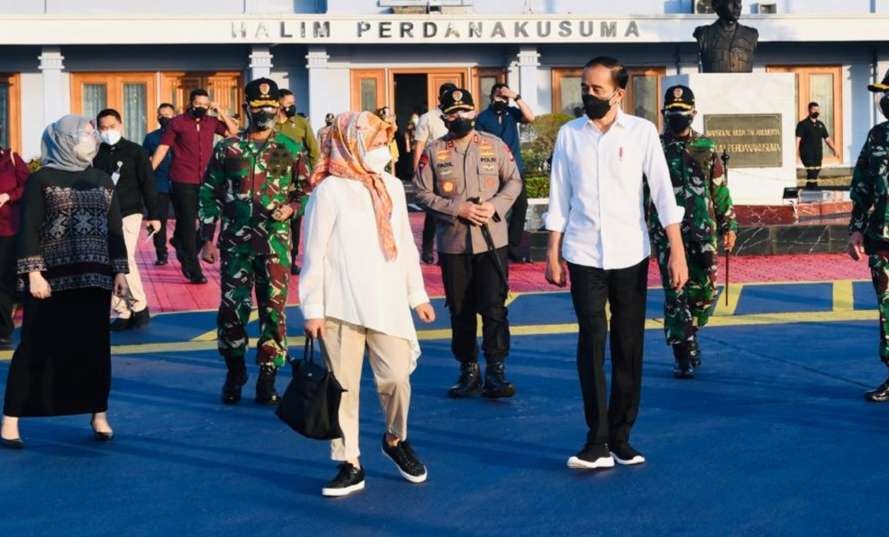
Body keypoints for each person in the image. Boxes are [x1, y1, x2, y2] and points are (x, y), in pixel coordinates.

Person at [545, 57, 688, 469]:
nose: (587, 95)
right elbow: (559, 197)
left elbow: (663, 194)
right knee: (591, 341)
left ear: (618, 93)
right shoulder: (569, 136)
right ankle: (597, 440)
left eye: (596, 89)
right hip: (583, 253)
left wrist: (675, 252)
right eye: (584, 87)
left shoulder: (642, 133)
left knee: (628, 345)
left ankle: (622, 436)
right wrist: (553, 252)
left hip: (631, 254)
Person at [301, 111, 435, 498]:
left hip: (387, 300)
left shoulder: (390, 185)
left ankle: (395, 439)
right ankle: (350, 462)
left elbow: (405, 245)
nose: (382, 150)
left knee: (396, 377)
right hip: (340, 305)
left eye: (383, 143)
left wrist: (417, 295)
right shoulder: (328, 191)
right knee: (342, 388)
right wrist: (312, 308)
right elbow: (314, 253)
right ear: (352, 144)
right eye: (375, 143)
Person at [1, 115, 129, 449]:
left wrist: (119, 272)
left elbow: (114, 228)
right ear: (61, 139)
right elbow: (28, 227)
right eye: (81, 134)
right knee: (34, 347)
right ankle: (11, 422)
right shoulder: (41, 178)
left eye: (91, 133)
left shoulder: (102, 179)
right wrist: (33, 272)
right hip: (50, 280)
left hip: (95, 277)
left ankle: (98, 413)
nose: (90, 138)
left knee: (95, 349)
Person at [198, 78, 309, 406]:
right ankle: (235, 372)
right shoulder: (228, 148)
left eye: (270, 107)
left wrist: (292, 206)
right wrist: (207, 238)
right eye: (258, 107)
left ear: (279, 108)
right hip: (236, 243)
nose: (264, 112)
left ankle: (268, 376)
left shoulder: (290, 148)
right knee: (233, 310)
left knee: (274, 311)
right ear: (247, 107)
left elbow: (305, 190)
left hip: (275, 244)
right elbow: (208, 192)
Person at [414, 87, 522, 399]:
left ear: (474, 112)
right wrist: (455, 208)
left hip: (492, 241)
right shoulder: (434, 151)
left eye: (465, 111)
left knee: (493, 306)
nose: (459, 117)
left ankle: (496, 370)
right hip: (455, 243)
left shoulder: (495, 145)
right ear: (443, 116)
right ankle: (468, 369)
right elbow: (421, 192)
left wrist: (496, 206)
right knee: (460, 309)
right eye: (452, 113)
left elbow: (514, 180)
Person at [651, 85, 738, 378]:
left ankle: (691, 330)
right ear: (664, 113)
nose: (677, 117)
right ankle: (682, 350)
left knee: (706, 289)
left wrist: (729, 225)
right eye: (672, 112)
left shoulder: (706, 147)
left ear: (693, 113)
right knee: (676, 291)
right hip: (667, 231)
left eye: (683, 113)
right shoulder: (654, 148)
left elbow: (719, 188)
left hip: (703, 228)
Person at [150, 89, 238, 284]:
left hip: (207, 179)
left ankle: (180, 242)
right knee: (189, 223)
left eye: (205, 105)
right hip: (183, 179)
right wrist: (149, 172)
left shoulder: (211, 122)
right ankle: (193, 268)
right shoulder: (178, 122)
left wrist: (220, 111)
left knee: (208, 219)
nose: (201, 108)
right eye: (198, 104)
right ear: (190, 103)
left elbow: (233, 132)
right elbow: (163, 147)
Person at [94, 108, 161, 331]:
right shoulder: (95, 153)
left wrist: (155, 216)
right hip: (103, 214)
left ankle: (139, 307)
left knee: (126, 258)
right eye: (102, 128)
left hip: (130, 212)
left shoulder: (136, 152)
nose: (107, 131)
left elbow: (148, 185)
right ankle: (122, 311)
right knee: (108, 262)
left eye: (111, 127)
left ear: (120, 125)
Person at [847, 69, 889, 403]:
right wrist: (856, 230)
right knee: (888, 310)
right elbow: (862, 188)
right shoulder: (877, 137)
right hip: (882, 239)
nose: (885, 101)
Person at [475, 83, 536, 263]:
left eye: (504, 97)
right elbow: (478, 142)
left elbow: (530, 117)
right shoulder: (483, 117)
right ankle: (492, 244)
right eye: (498, 96)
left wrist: (516, 97)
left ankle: (513, 247)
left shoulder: (512, 113)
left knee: (521, 205)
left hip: (516, 167)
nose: (501, 100)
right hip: (492, 169)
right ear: (492, 96)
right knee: (495, 207)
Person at [276, 88, 319, 275]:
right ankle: (277, 258)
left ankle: (292, 259)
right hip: (275, 182)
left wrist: (311, 172)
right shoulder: (270, 125)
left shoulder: (301, 123)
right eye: (288, 103)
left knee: (295, 223)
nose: (292, 106)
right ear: (279, 104)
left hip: (297, 183)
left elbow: (314, 150)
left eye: (293, 103)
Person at [414, 83, 457, 265]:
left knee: (454, 211)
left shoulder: (460, 115)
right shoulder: (428, 118)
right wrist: (417, 171)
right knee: (434, 212)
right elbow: (419, 146)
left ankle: (449, 250)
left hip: (456, 168)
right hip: (434, 168)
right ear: (439, 98)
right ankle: (427, 250)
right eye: (446, 95)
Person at [0, 137, 28, 347]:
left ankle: (3, 327)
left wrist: (8, 196)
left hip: (8, 228)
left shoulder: (11, 159)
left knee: (4, 278)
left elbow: (27, 187)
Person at [143, 103, 176, 265]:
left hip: (179, 183)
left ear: (174, 115)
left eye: (168, 115)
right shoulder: (151, 137)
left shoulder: (181, 135)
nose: (164, 118)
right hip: (159, 184)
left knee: (186, 220)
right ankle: (161, 253)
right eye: (161, 115)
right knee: (158, 220)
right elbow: (144, 159)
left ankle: (181, 245)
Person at [796, 102, 838, 189]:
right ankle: (813, 191)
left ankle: (809, 191)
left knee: (815, 173)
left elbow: (827, 139)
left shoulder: (821, 125)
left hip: (818, 154)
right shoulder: (802, 124)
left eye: (818, 110)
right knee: (812, 172)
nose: (816, 111)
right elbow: (798, 139)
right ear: (809, 110)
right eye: (814, 110)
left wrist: (834, 149)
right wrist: (796, 153)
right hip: (807, 154)